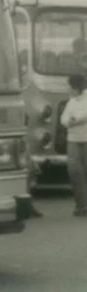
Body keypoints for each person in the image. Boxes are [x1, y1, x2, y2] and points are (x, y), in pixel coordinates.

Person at [60, 73, 87, 217]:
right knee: (75, 172)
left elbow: (84, 116)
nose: (68, 89)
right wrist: (69, 120)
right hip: (73, 140)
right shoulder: (71, 101)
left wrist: (73, 119)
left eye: (70, 86)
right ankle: (81, 206)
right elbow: (63, 119)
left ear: (76, 87)